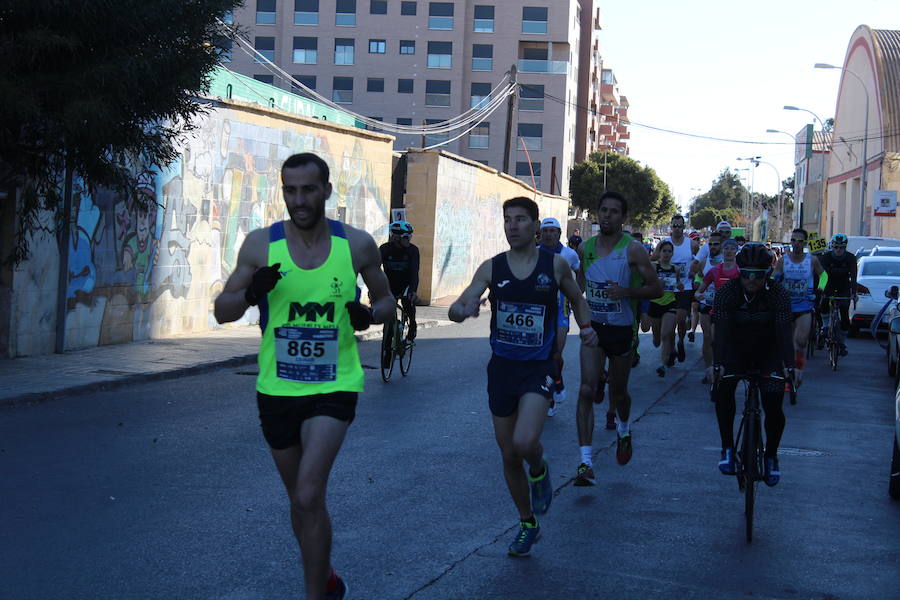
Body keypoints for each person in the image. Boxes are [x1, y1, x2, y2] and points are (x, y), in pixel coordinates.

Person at [213, 152, 395, 600]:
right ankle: (328, 581)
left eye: (308, 189)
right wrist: (252, 293)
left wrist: (369, 314)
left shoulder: (356, 244)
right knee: (301, 500)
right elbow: (222, 310)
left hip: (335, 385)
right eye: (290, 190)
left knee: (310, 492)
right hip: (276, 388)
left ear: (326, 191)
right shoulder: (260, 245)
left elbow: (389, 301)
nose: (299, 199)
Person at [449, 196, 598, 556]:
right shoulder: (492, 268)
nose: (512, 226)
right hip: (502, 368)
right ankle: (527, 522)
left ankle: (540, 467)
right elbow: (460, 305)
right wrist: (462, 309)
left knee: (525, 442)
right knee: (508, 454)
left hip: (538, 367)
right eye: (507, 220)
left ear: (535, 226)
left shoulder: (556, 266)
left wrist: (588, 327)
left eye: (519, 220)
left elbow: (577, 299)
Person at [575, 191, 662, 485]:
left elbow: (657, 288)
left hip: (623, 328)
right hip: (595, 328)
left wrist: (627, 292)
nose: (607, 216)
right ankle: (585, 463)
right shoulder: (585, 248)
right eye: (603, 210)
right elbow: (579, 290)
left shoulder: (633, 250)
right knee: (586, 390)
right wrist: (581, 319)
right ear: (596, 214)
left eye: (614, 212)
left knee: (619, 393)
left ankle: (624, 429)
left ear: (623, 219)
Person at [711, 243, 796, 486]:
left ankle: (771, 456)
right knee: (723, 390)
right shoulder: (728, 292)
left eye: (757, 275)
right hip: (735, 350)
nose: (751, 280)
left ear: (767, 273)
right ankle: (727, 448)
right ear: (739, 271)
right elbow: (723, 333)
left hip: (768, 351)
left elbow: (783, 333)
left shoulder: (778, 294)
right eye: (745, 273)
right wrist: (717, 365)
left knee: (773, 404)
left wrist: (790, 367)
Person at [538, 217, 581, 416]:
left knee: (556, 354)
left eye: (552, 231)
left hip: (561, 308)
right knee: (541, 355)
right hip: (539, 310)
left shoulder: (569, 254)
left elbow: (579, 273)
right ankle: (549, 397)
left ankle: (556, 380)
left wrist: (577, 293)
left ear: (559, 233)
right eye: (545, 231)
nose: (548, 234)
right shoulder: (534, 253)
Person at [773, 229, 825, 382]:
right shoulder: (783, 260)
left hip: (804, 306)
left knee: (800, 343)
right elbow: (773, 274)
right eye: (794, 240)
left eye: (800, 241)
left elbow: (824, 275)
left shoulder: (812, 260)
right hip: (785, 306)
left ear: (805, 243)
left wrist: (820, 289)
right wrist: (776, 279)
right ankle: (787, 370)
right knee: (786, 342)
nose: (796, 243)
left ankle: (798, 370)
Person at [657, 215, 695, 361]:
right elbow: (653, 258)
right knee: (670, 322)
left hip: (685, 287)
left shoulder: (691, 244)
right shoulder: (664, 243)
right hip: (669, 289)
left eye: (680, 226)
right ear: (671, 227)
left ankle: (681, 341)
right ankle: (672, 347)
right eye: (675, 226)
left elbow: (699, 261)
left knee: (680, 319)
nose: (677, 229)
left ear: (684, 227)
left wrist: (694, 271)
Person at [818, 233, 858, 356]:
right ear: (832, 247)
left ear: (845, 247)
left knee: (845, 318)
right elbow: (823, 276)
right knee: (823, 304)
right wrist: (820, 291)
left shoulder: (851, 258)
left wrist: (853, 293)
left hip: (844, 286)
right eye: (836, 247)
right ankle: (825, 326)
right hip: (829, 284)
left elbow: (853, 277)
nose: (839, 250)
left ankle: (843, 343)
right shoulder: (826, 258)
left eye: (841, 247)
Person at [379, 220, 420, 340]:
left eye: (410, 236)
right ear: (396, 238)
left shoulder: (413, 250)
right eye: (406, 237)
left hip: (406, 284)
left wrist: (413, 291)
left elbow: (414, 273)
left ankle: (412, 324)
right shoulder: (384, 249)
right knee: (387, 308)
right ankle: (388, 334)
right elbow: (374, 270)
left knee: (407, 302)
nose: (409, 239)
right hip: (389, 284)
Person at [693, 232, 724, 383]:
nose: (712, 247)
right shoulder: (704, 262)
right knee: (707, 337)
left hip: (722, 309)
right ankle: (709, 370)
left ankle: (719, 367)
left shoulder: (728, 262)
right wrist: (698, 291)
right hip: (706, 305)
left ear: (722, 245)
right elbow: (699, 278)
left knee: (717, 339)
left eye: (716, 244)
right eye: (710, 244)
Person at [649, 240, 682, 377]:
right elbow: (647, 282)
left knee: (666, 334)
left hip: (670, 303)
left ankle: (663, 364)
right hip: (655, 303)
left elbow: (678, 282)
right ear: (660, 252)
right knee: (657, 338)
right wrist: (657, 283)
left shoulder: (675, 269)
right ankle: (656, 340)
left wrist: (679, 286)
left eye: (669, 251)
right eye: (664, 251)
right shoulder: (653, 266)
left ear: (672, 253)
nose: (667, 254)